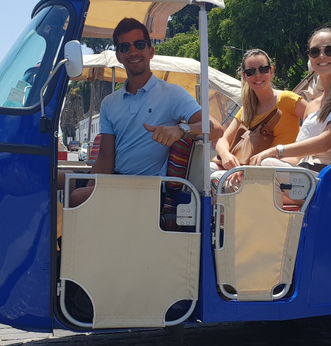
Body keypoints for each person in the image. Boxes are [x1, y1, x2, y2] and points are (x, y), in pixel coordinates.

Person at [64, 17, 222, 207]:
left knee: (76, 198)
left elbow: (216, 128)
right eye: (124, 48)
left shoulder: (172, 94)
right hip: (116, 181)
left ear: (151, 51)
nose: (133, 52)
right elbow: (106, 158)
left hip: (148, 187)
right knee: (56, 180)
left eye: (139, 45)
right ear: (119, 56)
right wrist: (93, 188)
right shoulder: (109, 103)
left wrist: (181, 130)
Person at [257, 27, 331, 202]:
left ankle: (276, 228)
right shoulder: (313, 105)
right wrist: (253, 163)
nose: (322, 56)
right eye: (315, 51)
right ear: (310, 57)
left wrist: (274, 152)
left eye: (330, 50)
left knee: (267, 168)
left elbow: (326, 141)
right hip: (309, 175)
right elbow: (297, 157)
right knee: (249, 178)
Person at [210, 49, 307, 192]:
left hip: (279, 168)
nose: (258, 75)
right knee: (208, 170)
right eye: (251, 72)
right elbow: (223, 139)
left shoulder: (287, 99)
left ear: (271, 71)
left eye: (263, 69)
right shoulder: (247, 110)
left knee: (222, 181)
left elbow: (316, 121)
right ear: (244, 76)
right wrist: (226, 155)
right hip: (252, 168)